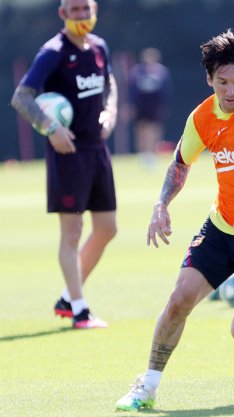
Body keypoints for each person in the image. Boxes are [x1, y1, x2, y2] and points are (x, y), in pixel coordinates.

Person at [115, 29, 234, 411]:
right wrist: (161, 204)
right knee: (179, 299)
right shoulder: (202, 117)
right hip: (222, 228)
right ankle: (147, 386)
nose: (232, 90)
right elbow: (180, 164)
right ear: (210, 80)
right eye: (223, 82)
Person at [11, 0, 118, 330]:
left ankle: (67, 297)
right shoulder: (53, 51)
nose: (82, 16)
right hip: (68, 154)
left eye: (86, 9)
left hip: (97, 150)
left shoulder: (99, 46)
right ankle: (80, 310)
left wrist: (110, 111)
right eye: (75, 11)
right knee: (72, 233)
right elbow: (22, 97)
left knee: (107, 228)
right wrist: (50, 127)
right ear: (63, 14)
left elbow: (110, 83)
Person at [127, 47, 172, 169]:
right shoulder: (137, 72)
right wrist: (130, 106)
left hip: (154, 107)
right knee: (141, 131)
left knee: (154, 130)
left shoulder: (161, 72)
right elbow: (132, 90)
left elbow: (165, 91)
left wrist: (163, 106)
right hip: (140, 107)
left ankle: (152, 155)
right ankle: (142, 155)